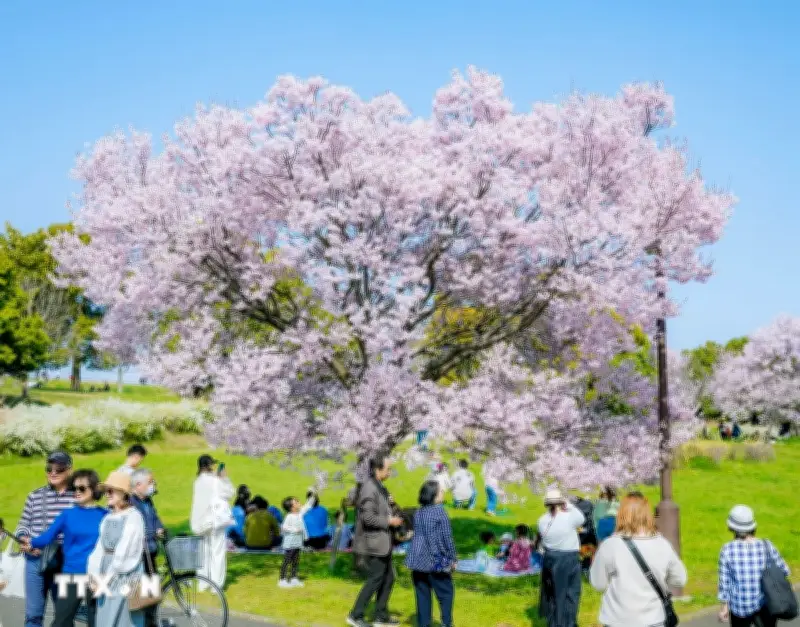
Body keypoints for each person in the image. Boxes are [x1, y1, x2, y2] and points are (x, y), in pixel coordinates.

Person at [589, 492, 688, 626]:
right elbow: (680, 579)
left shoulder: (611, 545)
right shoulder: (661, 544)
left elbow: (598, 583)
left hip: (617, 619)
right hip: (652, 618)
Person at [24, 469, 106, 627]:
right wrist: (30, 543)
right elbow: (48, 537)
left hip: (97, 576)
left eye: (81, 488)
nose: (76, 492)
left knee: (96, 621)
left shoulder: (105, 514)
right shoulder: (67, 514)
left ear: (94, 489)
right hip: (71, 574)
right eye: (74, 488)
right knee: (61, 621)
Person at [15, 451, 76, 627]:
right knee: (33, 615)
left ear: (69, 470)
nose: (53, 472)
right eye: (49, 468)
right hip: (35, 560)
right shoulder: (34, 496)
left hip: (65, 562)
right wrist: (23, 538)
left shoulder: (77, 497)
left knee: (64, 616)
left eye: (59, 468)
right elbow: (23, 524)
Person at [347, 451, 404, 627]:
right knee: (375, 579)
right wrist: (389, 521)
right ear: (378, 469)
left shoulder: (379, 487)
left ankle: (380, 615)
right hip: (373, 543)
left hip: (382, 542)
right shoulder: (369, 488)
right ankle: (355, 615)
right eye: (388, 469)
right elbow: (367, 518)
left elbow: (380, 508)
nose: (390, 473)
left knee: (388, 578)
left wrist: (391, 503)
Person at [87, 471, 146, 627]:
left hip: (125, 575)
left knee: (123, 619)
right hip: (106, 573)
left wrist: (106, 579)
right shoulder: (107, 518)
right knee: (105, 618)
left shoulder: (134, 517)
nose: (107, 494)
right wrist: (94, 576)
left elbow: (124, 553)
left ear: (124, 493)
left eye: (111, 490)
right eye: (106, 490)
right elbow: (99, 549)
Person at [718, 505, 791, 626]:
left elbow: (725, 583)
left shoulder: (727, 550)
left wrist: (724, 607)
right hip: (766, 605)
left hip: (739, 607)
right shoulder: (767, 545)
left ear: (732, 527)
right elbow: (785, 571)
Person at [404, 480, 457, 627]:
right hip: (435, 560)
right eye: (440, 491)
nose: (443, 492)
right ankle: (446, 622)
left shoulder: (419, 512)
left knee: (422, 596)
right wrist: (453, 557)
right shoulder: (440, 512)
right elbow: (446, 538)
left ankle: (423, 624)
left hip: (417, 560)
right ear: (433, 495)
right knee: (446, 593)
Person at [537, 489, 585, 627]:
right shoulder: (568, 518)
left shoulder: (541, 520)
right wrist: (568, 505)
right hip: (567, 558)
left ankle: (554, 622)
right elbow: (582, 518)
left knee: (553, 593)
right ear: (560, 501)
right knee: (570, 594)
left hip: (549, 557)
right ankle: (567, 623)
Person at [190, 455, 234, 591]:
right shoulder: (216, 481)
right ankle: (216, 586)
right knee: (217, 552)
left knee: (204, 553)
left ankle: (203, 583)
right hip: (214, 521)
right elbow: (230, 493)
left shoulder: (197, 481)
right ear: (209, 465)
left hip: (199, 521)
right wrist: (224, 478)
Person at [130, 469, 165, 627]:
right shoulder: (131, 503)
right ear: (138, 485)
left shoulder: (148, 501)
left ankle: (150, 623)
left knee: (153, 594)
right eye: (150, 482)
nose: (153, 485)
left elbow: (155, 517)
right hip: (138, 556)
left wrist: (160, 528)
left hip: (150, 552)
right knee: (139, 597)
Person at [279, 491, 316, 588]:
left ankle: (294, 578)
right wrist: (294, 530)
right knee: (287, 560)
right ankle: (282, 579)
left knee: (296, 560)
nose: (299, 503)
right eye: (296, 502)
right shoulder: (289, 516)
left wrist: (313, 494)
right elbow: (284, 527)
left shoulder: (299, 514)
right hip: (290, 543)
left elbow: (308, 506)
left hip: (298, 543)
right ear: (292, 507)